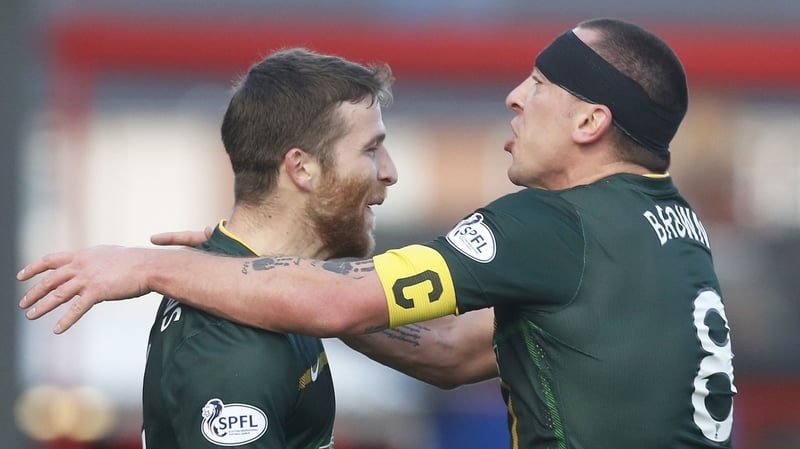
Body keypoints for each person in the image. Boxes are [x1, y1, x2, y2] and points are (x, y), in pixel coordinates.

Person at [19, 18, 736, 448]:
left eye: (541, 84)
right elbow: (454, 350)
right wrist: (254, 274)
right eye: (372, 148)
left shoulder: (559, 224)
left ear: (589, 123)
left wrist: (153, 267)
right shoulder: (668, 228)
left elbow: (339, 304)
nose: (516, 96)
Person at [97, 47, 405, 448]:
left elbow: (452, 350)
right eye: (370, 149)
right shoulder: (235, 341)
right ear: (301, 168)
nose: (390, 172)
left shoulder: (273, 293)